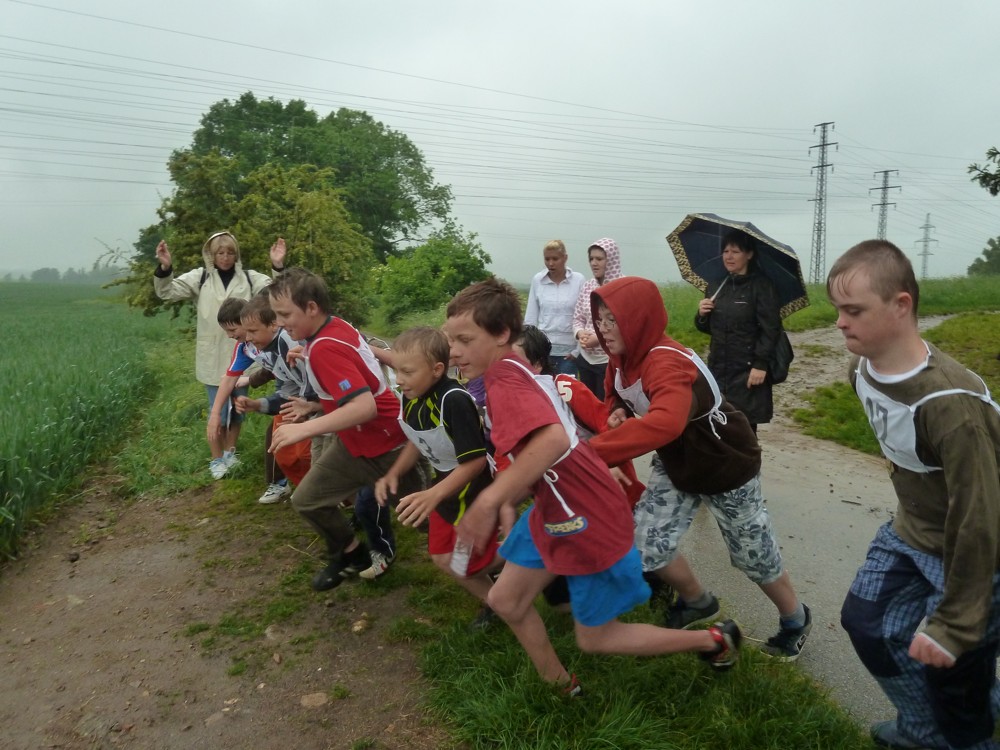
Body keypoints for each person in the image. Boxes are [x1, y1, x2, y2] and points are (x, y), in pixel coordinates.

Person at [447, 277, 742, 696]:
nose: (453, 351)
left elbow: (552, 440)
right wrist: (509, 500)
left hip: (583, 514)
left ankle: (714, 640)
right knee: (505, 600)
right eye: (450, 339)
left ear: (501, 335)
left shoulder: (506, 381)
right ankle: (560, 686)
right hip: (556, 503)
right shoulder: (505, 370)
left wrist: (489, 501)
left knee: (596, 637)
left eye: (464, 340)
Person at [829, 240, 1000, 750]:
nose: (839, 322)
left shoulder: (952, 405)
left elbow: (980, 517)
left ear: (901, 305)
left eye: (854, 310)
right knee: (867, 624)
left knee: (957, 677)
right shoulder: (862, 369)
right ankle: (923, 730)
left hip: (977, 551)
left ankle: (966, 732)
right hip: (910, 531)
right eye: (838, 309)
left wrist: (955, 624)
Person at [586, 276, 812, 662]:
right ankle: (697, 601)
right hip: (678, 462)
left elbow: (665, 423)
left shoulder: (667, 363)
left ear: (638, 319)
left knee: (753, 555)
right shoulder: (620, 360)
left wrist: (587, 455)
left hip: (726, 465)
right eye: (600, 320)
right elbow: (616, 394)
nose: (603, 330)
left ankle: (796, 619)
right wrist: (618, 410)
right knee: (648, 542)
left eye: (613, 320)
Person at [266, 269, 429, 590]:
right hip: (354, 444)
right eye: (276, 315)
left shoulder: (324, 347)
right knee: (308, 499)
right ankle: (352, 554)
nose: (280, 323)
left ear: (311, 308)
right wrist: (314, 403)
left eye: (285, 314)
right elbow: (352, 375)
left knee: (427, 520)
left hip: (390, 447)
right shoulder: (331, 329)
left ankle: (495, 567)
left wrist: (303, 431)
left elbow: (364, 407)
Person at [374, 326, 500, 626]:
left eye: (407, 372)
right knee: (444, 556)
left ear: (437, 369)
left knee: (465, 560)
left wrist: (433, 494)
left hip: (471, 492)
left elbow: (475, 461)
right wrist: (394, 473)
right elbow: (418, 439)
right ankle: (496, 601)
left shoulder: (454, 400)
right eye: (397, 370)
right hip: (443, 489)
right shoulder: (411, 396)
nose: (399, 379)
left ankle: (527, 556)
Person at [153, 232, 286, 479]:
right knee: (218, 409)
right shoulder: (201, 278)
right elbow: (167, 292)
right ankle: (216, 460)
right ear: (211, 255)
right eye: (220, 253)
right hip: (212, 356)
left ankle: (229, 453)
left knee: (238, 409)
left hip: (244, 352)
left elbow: (277, 292)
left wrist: (277, 265)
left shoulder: (249, 278)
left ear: (237, 255)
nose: (225, 257)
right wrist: (165, 267)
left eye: (230, 252)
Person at [694, 230, 781, 432]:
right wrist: (702, 314)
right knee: (718, 425)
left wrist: (760, 365)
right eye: (725, 251)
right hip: (718, 367)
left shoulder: (761, 286)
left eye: (735, 251)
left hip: (747, 370)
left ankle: (749, 455)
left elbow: (771, 329)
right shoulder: (716, 285)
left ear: (749, 254)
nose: (729, 256)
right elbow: (709, 328)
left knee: (744, 428)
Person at [230, 293, 313, 503]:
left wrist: (310, 408)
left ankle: (329, 495)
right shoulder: (269, 350)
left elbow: (318, 383)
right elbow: (287, 394)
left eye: (252, 331)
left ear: (274, 325)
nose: (247, 338)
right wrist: (257, 404)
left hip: (336, 406)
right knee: (282, 446)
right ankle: (314, 492)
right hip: (312, 406)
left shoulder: (289, 343)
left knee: (309, 453)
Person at [572, 238, 624, 400]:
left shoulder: (622, 287)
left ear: (612, 260)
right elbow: (578, 317)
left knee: (607, 405)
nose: (594, 263)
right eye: (591, 259)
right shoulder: (588, 286)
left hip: (609, 361)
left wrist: (599, 338)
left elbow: (624, 323)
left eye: (599, 259)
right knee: (588, 405)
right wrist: (580, 333)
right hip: (586, 359)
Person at [523, 240, 584, 377]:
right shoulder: (538, 280)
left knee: (565, 389)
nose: (550, 263)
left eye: (555, 259)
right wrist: (531, 349)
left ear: (565, 258)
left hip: (569, 354)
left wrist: (577, 351)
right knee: (544, 388)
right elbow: (531, 318)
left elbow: (584, 316)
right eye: (547, 259)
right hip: (544, 352)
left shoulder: (578, 280)